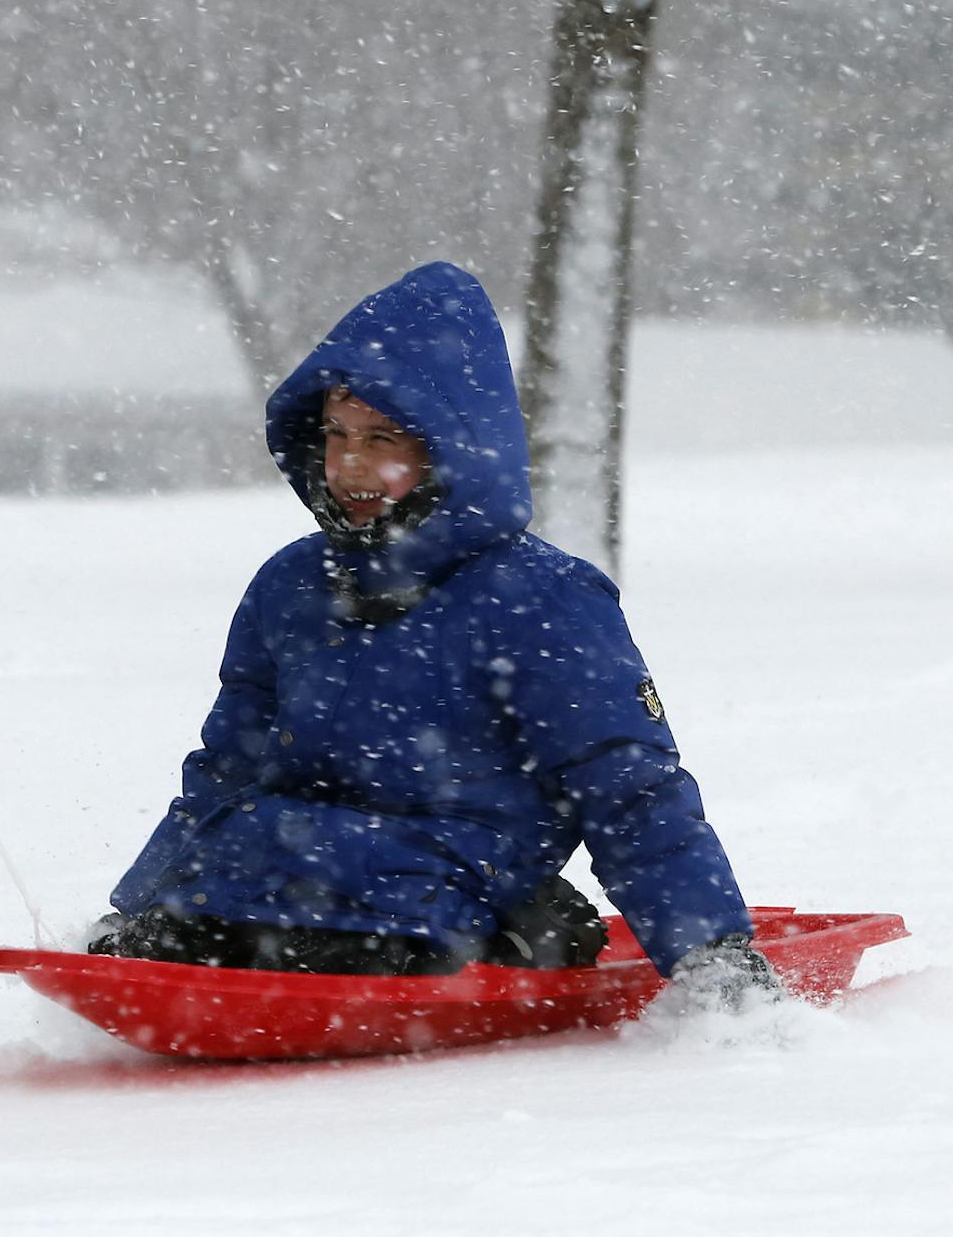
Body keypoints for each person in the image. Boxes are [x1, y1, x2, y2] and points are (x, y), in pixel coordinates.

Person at [90, 263, 777, 1007]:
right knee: (196, 923)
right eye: (336, 434)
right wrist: (140, 907)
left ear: (451, 448)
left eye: (383, 438)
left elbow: (627, 785)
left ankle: (525, 932)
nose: (350, 465)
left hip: (448, 886)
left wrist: (711, 952)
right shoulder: (292, 587)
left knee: (349, 936)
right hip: (278, 870)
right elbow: (229, 765)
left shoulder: (541, 598)